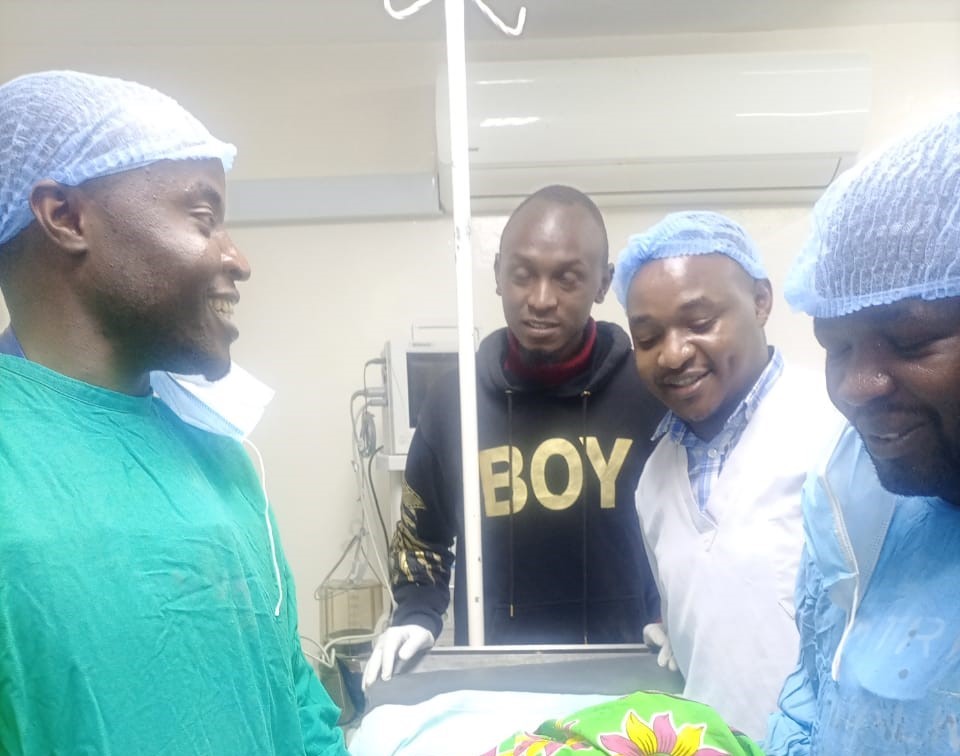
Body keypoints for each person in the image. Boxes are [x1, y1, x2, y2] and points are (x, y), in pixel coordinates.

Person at [0, 70, 346, 755]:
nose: (237, 259)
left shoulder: (221, 457)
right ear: (66, 216)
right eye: (203, 218)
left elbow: (295, 703)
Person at [363, 185, 664, 687]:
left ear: (603, 283)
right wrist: (416, 613)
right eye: (523, 275)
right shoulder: (454, 401)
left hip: (630, 672)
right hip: (497, 677)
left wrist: (676, 610)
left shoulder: (649, 392)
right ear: (499, 273)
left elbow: (688, 527)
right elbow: (422, 536)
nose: (541, 300)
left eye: (567, 278)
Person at [765, 112, 960, 753]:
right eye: (836, 347)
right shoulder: (851, 496)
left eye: (910, 341)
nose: (856, 386)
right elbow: (814, 699)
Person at [611, 211, 843, 739]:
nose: (673, 354)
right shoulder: (654, 478)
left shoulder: (836, 434)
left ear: (760, 301)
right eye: (648, 337)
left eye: (699, 323)